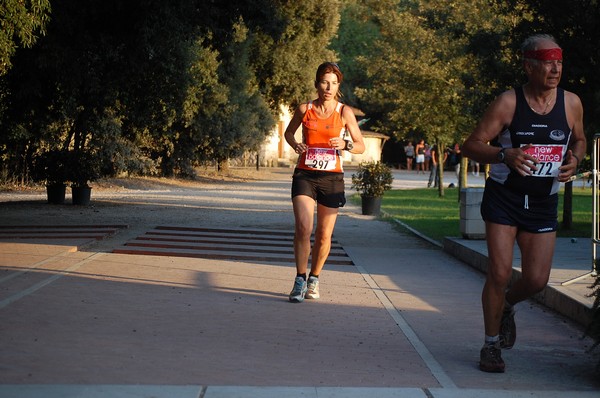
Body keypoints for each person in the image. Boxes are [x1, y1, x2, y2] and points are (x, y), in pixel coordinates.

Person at [461, 34, 586, 373]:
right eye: (547, 61)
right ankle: (490, 346)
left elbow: (579, 138)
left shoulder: (571, 103)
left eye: (559, 61)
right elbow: (470, 144)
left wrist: (575, 158)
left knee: (536, 280)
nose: (555, 68)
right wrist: (504, 153)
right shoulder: (508, 103)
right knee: (499, 273)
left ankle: (507, 306)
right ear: (528, 65)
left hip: (543, 202)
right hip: (505, 199)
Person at [284, 62, 365, 303]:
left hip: (331, 177)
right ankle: (299, 279)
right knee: (303, 227)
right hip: (305, 175)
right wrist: (295, 144)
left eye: (333, 83)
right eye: (324, 82)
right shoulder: (304, 109)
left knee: (323, 235)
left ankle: (314, 279)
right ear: (317, 83)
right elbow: (288, 133)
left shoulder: (344, 112)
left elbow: (360, 145)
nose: (328, 87)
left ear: (338, 86)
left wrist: (347, 144)